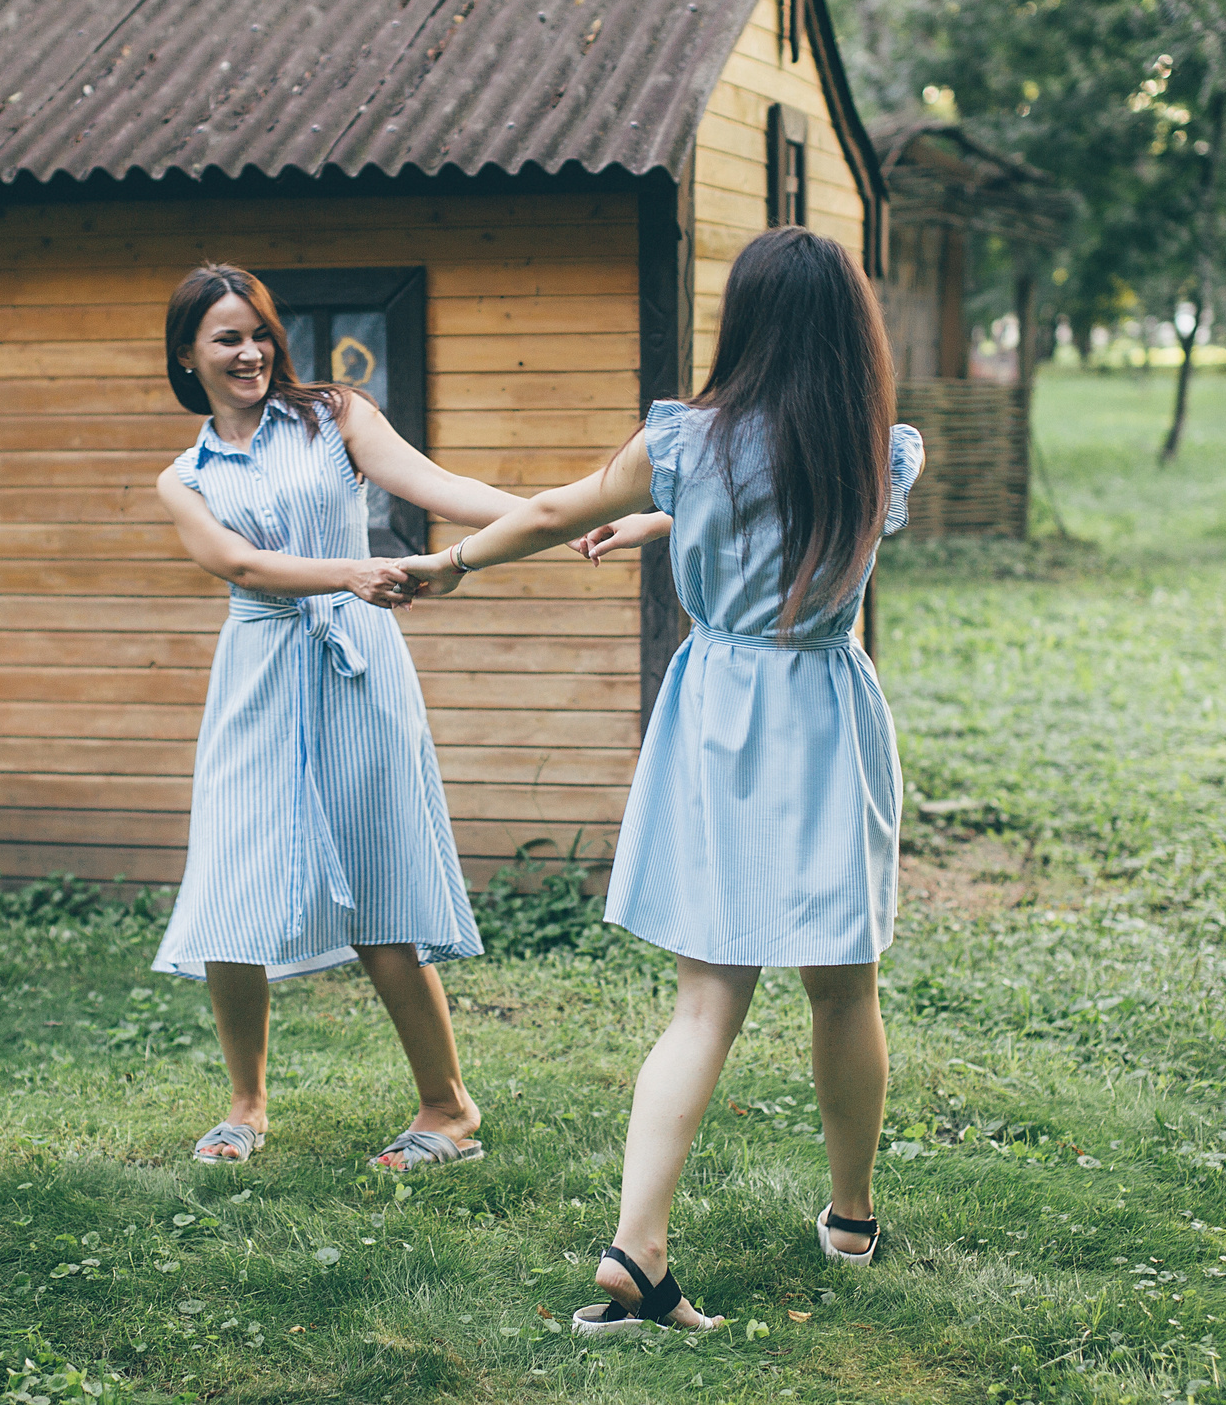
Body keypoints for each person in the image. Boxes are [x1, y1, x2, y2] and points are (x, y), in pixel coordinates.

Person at [397, 226, 922, 1334]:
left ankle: (637, 1247)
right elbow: (792, 500)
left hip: (717, 714)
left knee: (704, 1004)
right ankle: (851, 1217)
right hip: (823, 713)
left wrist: (448, 563)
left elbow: (551, 511)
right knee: (844, 986)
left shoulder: (683, 441)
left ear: (746, 324)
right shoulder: (875, 449)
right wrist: (669, 516)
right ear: (850, 333)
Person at [153, 263, 522, 1172]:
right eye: (228, 338)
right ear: (187, 354)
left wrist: (552, 517)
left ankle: (448, 1109)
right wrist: (347, 572)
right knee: (229, 882)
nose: (251, 352)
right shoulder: (184, 478)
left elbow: (435, 484)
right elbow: (241, 565)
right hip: (258, 674)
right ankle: (245, 1107)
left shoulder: (333, 416)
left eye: (260, 333)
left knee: (378, 872)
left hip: (358, 666)